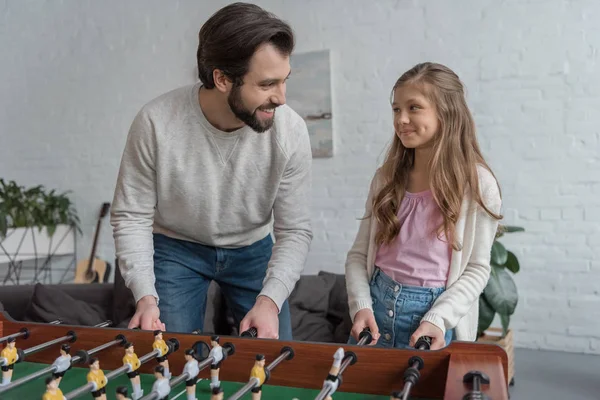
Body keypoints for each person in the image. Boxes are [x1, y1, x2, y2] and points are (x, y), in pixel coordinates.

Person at [110, 2, 312, 340]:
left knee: (276, 362)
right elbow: (131, 215)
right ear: (221, 78)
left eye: (284, 81)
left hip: (254, 247)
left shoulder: (290, 131)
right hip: (177, 247)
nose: (281, 98)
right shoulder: (156, 122)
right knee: (170, 358)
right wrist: (145, 297)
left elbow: (295, 231)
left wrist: (270, 301)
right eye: (266, 85)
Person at [345, 62, 503, 350]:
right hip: (374, 316)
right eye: (396, 109)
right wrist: (361, 306)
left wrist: (438, 319)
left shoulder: (478, 185)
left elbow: (477, 269)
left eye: (414, 108)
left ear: (446, 112)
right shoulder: (385, 178)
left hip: (430, 322)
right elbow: (358, 255)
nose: (401, 119)